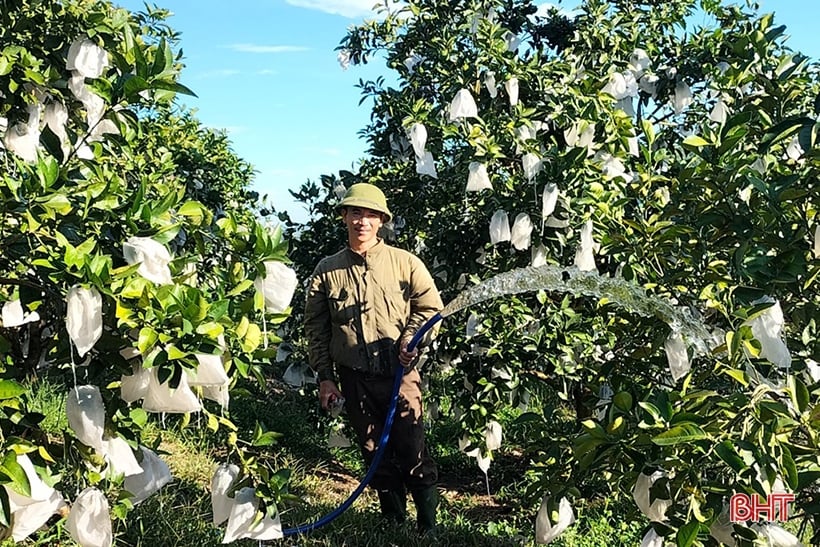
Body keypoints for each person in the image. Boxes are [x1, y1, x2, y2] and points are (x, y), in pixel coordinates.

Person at [304, 182, 443, 535]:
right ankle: (393, 521)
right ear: (344, 218)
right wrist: (325, 376)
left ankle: (428, 527)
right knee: (372, 449)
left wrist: (412, 337)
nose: (361, 221)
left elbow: (430, 308)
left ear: (381, 221)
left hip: (400, 375)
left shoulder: (405, 263)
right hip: (355, 378)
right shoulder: (327, 269)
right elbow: (316, 328)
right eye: (354, 213)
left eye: (369, 214)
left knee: (411, 447)